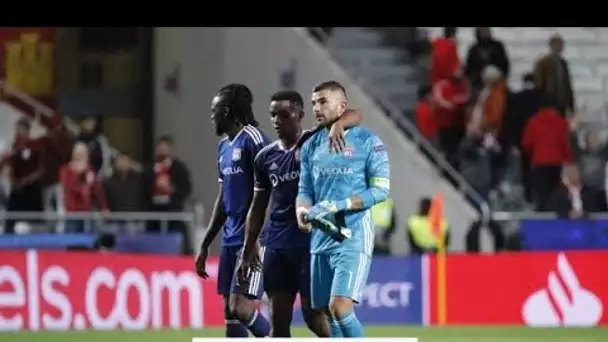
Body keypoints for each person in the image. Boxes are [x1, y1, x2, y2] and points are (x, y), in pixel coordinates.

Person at [237, 90, 362, 337]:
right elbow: (259, 205)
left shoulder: (314, 141)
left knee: (313, 316)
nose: (276, 120)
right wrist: (248, 246)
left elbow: (356, 115)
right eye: (273, 115)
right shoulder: (265, 157)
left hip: (311, 243)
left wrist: (338, 125)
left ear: (300, 114)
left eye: (283, 114)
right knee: (278, 321)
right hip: (277, 246)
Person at [295, 81, 391, 337]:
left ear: (342, 106)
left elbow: (381, 190)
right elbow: (305, 189)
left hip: (353, 235)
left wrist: (340, 205)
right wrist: (301, 210)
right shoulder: (310, 146)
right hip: (320, 238)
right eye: (314, 102)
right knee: (327, 313)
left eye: (323, 101)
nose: (316, 107)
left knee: (340, 307)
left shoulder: (368, 141)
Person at [194, 84, 272, 338]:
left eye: (214, 110)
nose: (211, 116)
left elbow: (272, 189)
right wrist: (206, 243)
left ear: (226, 110)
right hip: (230, 237)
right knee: (230, 313)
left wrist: (256, 240)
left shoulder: (254, 139)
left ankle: (276, 335)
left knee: (241, 307)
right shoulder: (223, 147)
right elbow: (223, 198)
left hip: (252, 237)